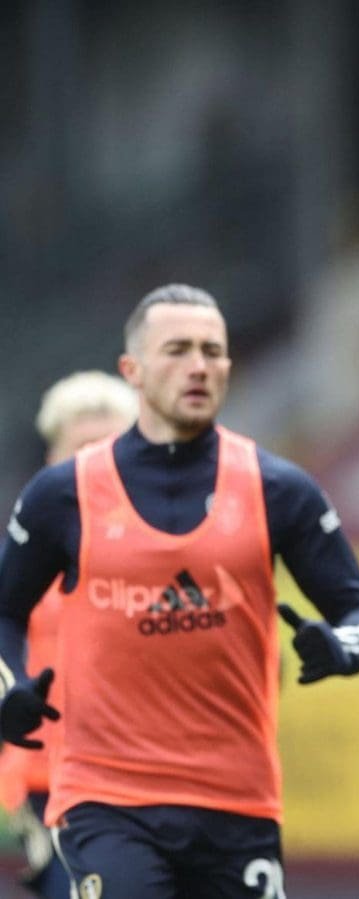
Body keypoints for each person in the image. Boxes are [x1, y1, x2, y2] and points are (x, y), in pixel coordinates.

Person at [0, 284, 359, 898]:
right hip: (107, 799)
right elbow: (6, 610)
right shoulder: (62, 495)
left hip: (238, 803)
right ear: (133, 370)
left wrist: (341, 648)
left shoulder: (278, 489)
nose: (199, 365)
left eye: (213, 351)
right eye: (178, 350)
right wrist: (12, 686)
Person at [0, 371, 138, 899]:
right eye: (81, 447)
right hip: (52, 783)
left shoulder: (176, 544)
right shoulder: (24, 555)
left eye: (110, 447)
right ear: (53, 459)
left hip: (157, 779)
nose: (95, 463)